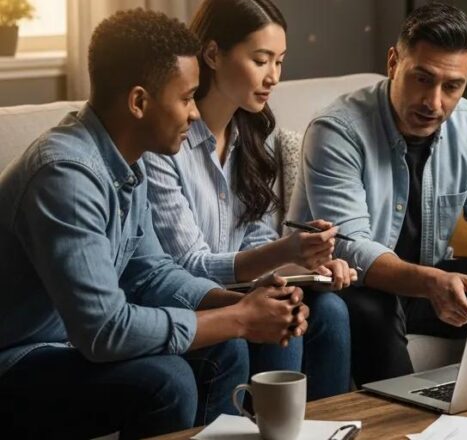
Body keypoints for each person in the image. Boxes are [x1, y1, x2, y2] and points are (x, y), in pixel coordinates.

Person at [0, 9, 308, 438]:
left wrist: (237, 302)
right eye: (186, 98)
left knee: (226, 347)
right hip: (21, 357)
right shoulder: (64, 176)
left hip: (71, 348)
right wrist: (240, 318)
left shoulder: (130, 162)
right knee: (167, 380)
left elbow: (149, 272)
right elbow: (105, 331)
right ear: (140, 102)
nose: (195, 114)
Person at [288, 2, 467, 386]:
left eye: (452, 86)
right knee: (371, 306)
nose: (435, 103)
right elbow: (350, 247)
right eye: (422, 79)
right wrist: (430, 283)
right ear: (394, 62)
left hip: (424, 280)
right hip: (353, 284)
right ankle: (400, 422)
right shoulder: (337, 131)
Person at [144, 0, 351, 400]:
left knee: (330, 312)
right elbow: (191, 265)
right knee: (281, 310)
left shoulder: (254, 137)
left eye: (280, 61)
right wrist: (285, 251)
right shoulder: (164, 140)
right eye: (261, 60)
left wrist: (309, 263)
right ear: (213, 54)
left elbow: (256, 243)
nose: (273, 77)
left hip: (242, 291)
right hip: (190, 302)